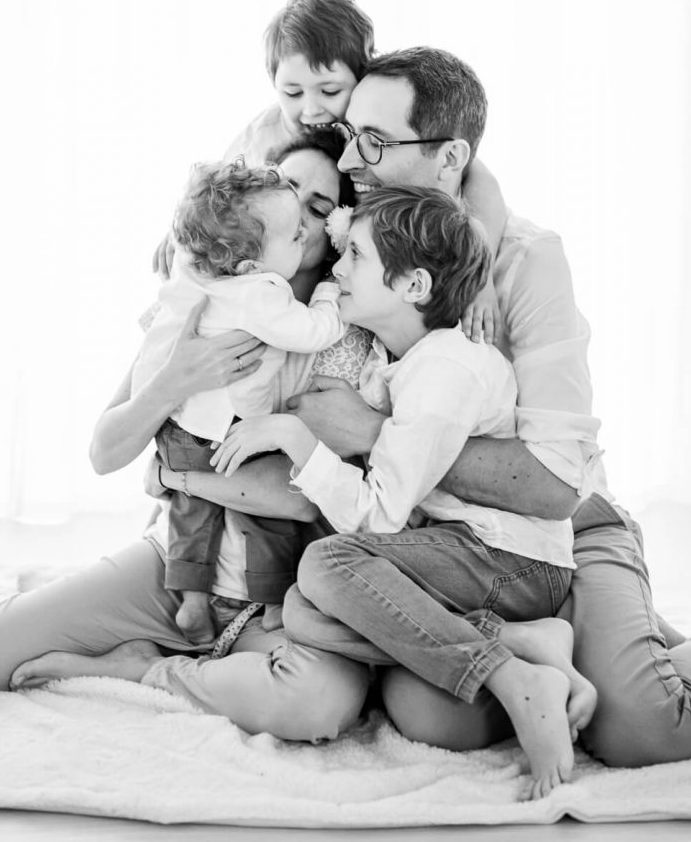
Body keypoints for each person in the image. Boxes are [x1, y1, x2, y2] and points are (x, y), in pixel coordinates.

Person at [277, 47, 691, 768]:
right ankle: (533, 647)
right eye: (350, 136)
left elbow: (553, 484)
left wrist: (370, 431)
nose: (352, 158)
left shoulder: (527, 261)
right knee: (436, 717)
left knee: (646, 728)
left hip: (566, 528)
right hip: (452, 543)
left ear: (450, 157)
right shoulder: (351, 229)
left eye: (377, 142)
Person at [0, 134, 370, 744]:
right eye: (286, 190)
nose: (298, 217)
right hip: (172, 569)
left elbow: (297, 498)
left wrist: (178, 476)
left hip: (280, 594)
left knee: (318, 706)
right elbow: (105, 452)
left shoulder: (341, 330)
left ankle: (143, 668)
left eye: (317, 205)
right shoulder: (197, 311)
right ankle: (168, 640)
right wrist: (175, 380)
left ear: (339, 223)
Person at [216, 185, 595, 798]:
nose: (336, 269)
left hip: (511, 561)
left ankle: (512, 676)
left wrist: (295, 436)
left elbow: (379, 517)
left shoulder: (445, 368)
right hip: (461, 554)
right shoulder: (404, 361)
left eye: (356, 256)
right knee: (305, 607)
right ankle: (515, 643)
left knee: (327, 564)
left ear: (414, 286)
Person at [154, 0, 506, 344]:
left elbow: (475, 177)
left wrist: (481, 274)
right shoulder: (264, 136)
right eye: (292, 93)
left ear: (362, 75)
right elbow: (216, 194)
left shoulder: (388, 128)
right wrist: (187, 231)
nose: (311, 110)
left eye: (330, 91)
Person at [133, 158, 344, 642]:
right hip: (236, 428)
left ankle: (190, 600)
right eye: (293, 236)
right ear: (251, 265)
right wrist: (329, 294)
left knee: (191, 511)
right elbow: (312, 332)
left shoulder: (196, 269)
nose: (305, 236)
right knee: (265, 517)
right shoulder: (262, 293)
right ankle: (272, 599)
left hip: (181, 423)